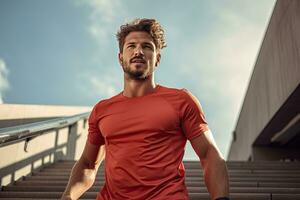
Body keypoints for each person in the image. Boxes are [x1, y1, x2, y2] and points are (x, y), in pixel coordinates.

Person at [61, 18, 230, 200]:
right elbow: (88, 164)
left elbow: (208, 154)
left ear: (157, 58)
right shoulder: (102, 110)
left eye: (147, 46)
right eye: (131, 46)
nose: (138, 51)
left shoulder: (181, 100)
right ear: (120, 58)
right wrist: (68, 196)